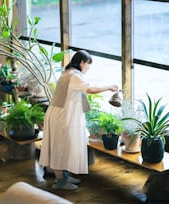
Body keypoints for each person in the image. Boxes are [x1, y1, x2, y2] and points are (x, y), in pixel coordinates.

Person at [39, 50, 119, 190]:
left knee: (64, 145)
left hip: (60, 114)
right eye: (88, 65)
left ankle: (63, 176)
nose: (88, 68)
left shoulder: (68, 73)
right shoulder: (74, 76)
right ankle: (60, 182)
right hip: (63, 116)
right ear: (82, 62)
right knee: (60, 146)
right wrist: (109, 87)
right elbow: (90, 89)